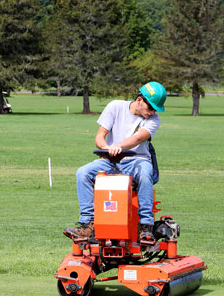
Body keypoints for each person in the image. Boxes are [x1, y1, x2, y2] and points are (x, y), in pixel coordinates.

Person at [64, 81, 167, 244]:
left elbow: (138, 139)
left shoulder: (154, 120)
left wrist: (117, 146)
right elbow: (99, 137)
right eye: (151, 107)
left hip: (137, 160)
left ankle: (146, 226)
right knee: (83, 173)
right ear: (140, 99)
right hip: (110, 161)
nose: (152, 112)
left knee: (146, 172)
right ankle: (88, 224)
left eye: (155, 109)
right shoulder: (115, 107)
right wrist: (107, 149)